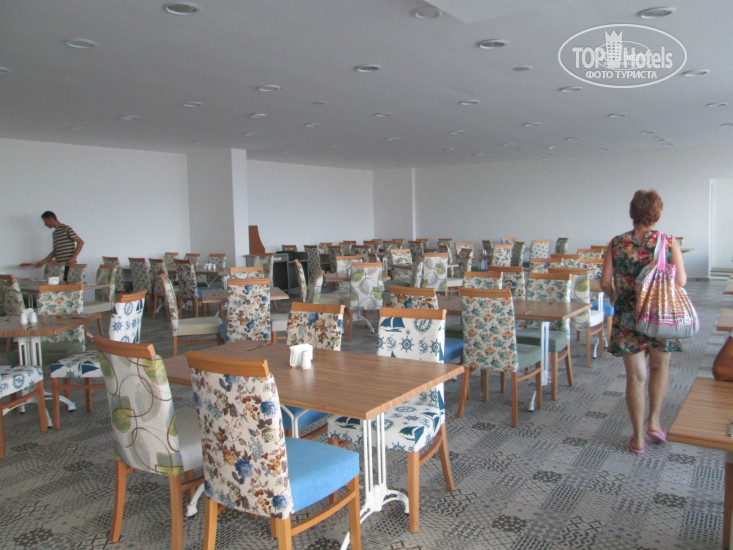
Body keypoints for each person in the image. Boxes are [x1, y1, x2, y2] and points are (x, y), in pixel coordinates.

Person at [600, 189, 687, 455]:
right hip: (661, 313)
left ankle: (638, 438)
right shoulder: (668, 241)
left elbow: (604, 282)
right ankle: (654, 423)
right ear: (657, 214)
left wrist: (616, 296)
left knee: (635, 377)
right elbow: (681, 281)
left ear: (632, 212)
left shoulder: (616, 243)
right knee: (660, 367)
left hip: (629, 315)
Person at [34, 211, 84, 281]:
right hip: (60, 266)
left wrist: (73, 258)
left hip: (69, 265)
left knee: (69, 285)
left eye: (45, 221)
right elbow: (55, 251)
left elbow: (80, 242)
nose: (45, 224)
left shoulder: (66, 229)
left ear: (50, 219)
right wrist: (43, 261)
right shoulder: (55, 233)